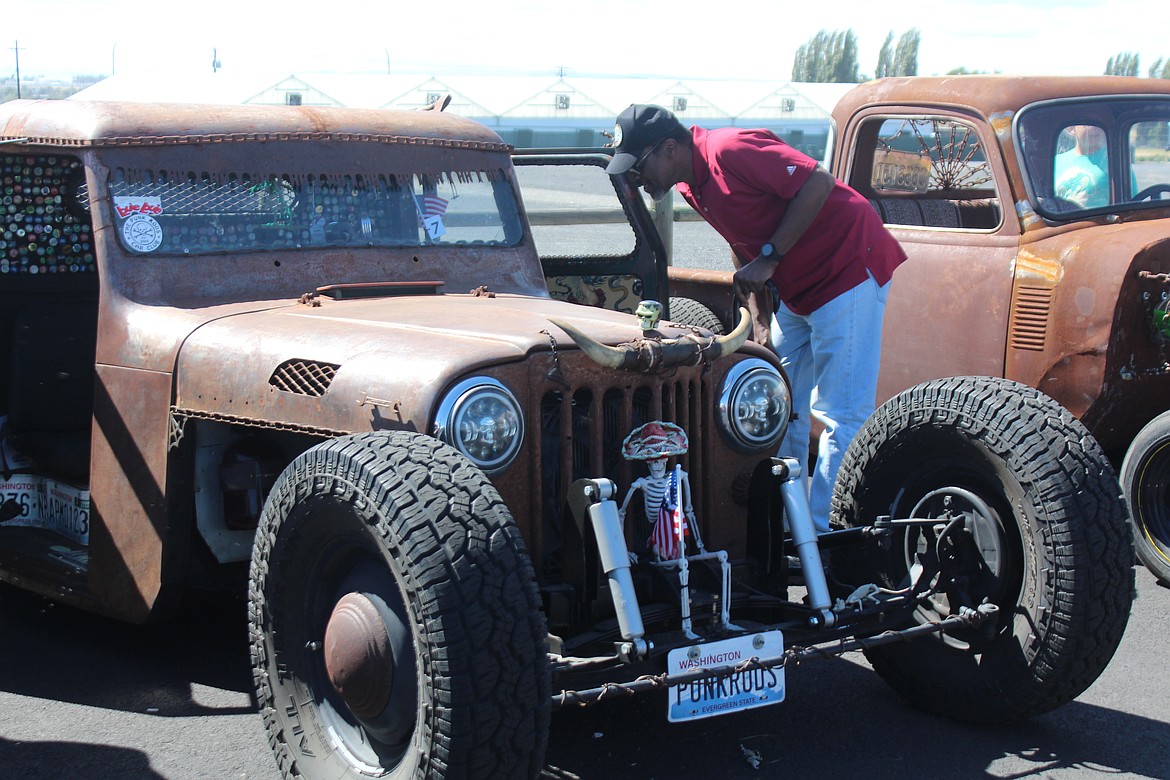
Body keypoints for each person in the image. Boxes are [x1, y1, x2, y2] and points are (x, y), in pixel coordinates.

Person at [606, 104, 906, 533]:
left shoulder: (729, 150)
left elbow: (817, 183)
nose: (637, 178)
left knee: (841, 412)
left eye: (639, 167)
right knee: (776, 404)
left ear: (669, 148)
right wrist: (762, 319)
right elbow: (742, 241)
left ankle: (828, 537)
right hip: (799, 290)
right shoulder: (693, 184)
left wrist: (770, 259)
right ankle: (786, 528)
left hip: (848, 269)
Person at [1054, 124, 1110, 208]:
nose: (1095, 127)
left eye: (1098, 123)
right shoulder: (1056, 162)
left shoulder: (1114, 160)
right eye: (1088, 123)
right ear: (1072, 128)